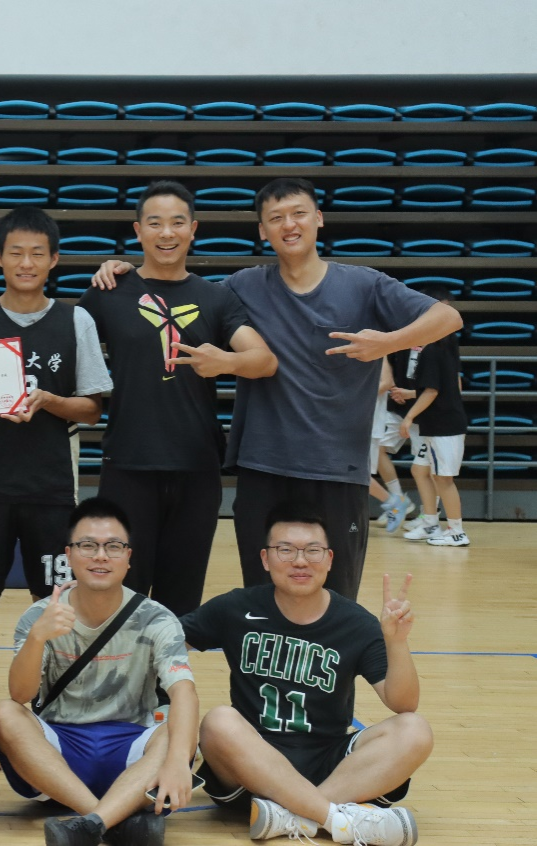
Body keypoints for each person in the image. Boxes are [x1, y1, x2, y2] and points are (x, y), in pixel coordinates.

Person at [92, 177, 462, 600]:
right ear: (262, 231)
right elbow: (177, 292)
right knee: (262, 599)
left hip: (336, 469)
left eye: (299, 214)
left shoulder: (364, 284)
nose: (289, 225)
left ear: (318, 218)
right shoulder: (242, 287)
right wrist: (123, 272)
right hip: (262, 469)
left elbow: (448, 318)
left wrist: (389, 342)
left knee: (335, 600)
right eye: (276, 218)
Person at [179, 501, 432, 846]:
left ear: (329, 559)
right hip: (251, 762)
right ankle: (334, 818)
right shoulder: (235, 608)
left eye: (312, 551)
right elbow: (167, 640)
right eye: (286, 550)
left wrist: (397, 642)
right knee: (219, 721)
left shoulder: (356, 623)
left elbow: (403, 703)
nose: (300, 561)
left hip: (330, 764)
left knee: (415, 729)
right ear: (266, 558)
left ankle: (295, 817)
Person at [77, 182, 276, 617]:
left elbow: (264, 360)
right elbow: (61, 342)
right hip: (127, 465)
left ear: (193, 229)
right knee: (117, 601)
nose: (166, 233)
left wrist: (225, 361)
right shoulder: (108, 292)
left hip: (195, 469)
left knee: (180, 607)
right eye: (155, 223)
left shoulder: (216, 297)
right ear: (138, 231)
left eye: (177, 223)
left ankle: (171, 668)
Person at [0, 206, 111, 671]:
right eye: (15, 252)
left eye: (37, 253)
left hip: (51, 491)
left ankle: (52, 704)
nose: (26, 263)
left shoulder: (76, 321)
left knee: (56, 608)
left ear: (53, 260)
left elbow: (92, 408)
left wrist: (49, 401)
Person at [0, 497, 198, 846]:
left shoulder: (156, 617)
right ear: (69, 554)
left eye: (113, 547)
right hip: (58, 755)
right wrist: (38, 637)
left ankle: (89, 825)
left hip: (130, 752)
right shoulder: (40, 615)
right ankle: (106, 820)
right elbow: (20, 695)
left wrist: (180, 761)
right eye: (88, 545)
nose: (100, 556)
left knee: (176, 731)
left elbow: (184, 692)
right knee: (4, 713)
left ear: (128, 557)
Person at [397, 288, 469, 546]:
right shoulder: (439, 345)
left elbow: (432, 390)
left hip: (444, 424)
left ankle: (456, 531)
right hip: (435, 423)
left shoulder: (435, 349)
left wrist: (408, 417)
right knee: (421, 470)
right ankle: (430, 523)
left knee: (443, 479)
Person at [370, 354, 417, 533]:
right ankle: (397, 501)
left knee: (427, 469)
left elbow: (386, 382)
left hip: (421, 408)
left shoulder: (378, 352)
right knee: (368, 460)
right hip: (390, 410)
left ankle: (429, 516)